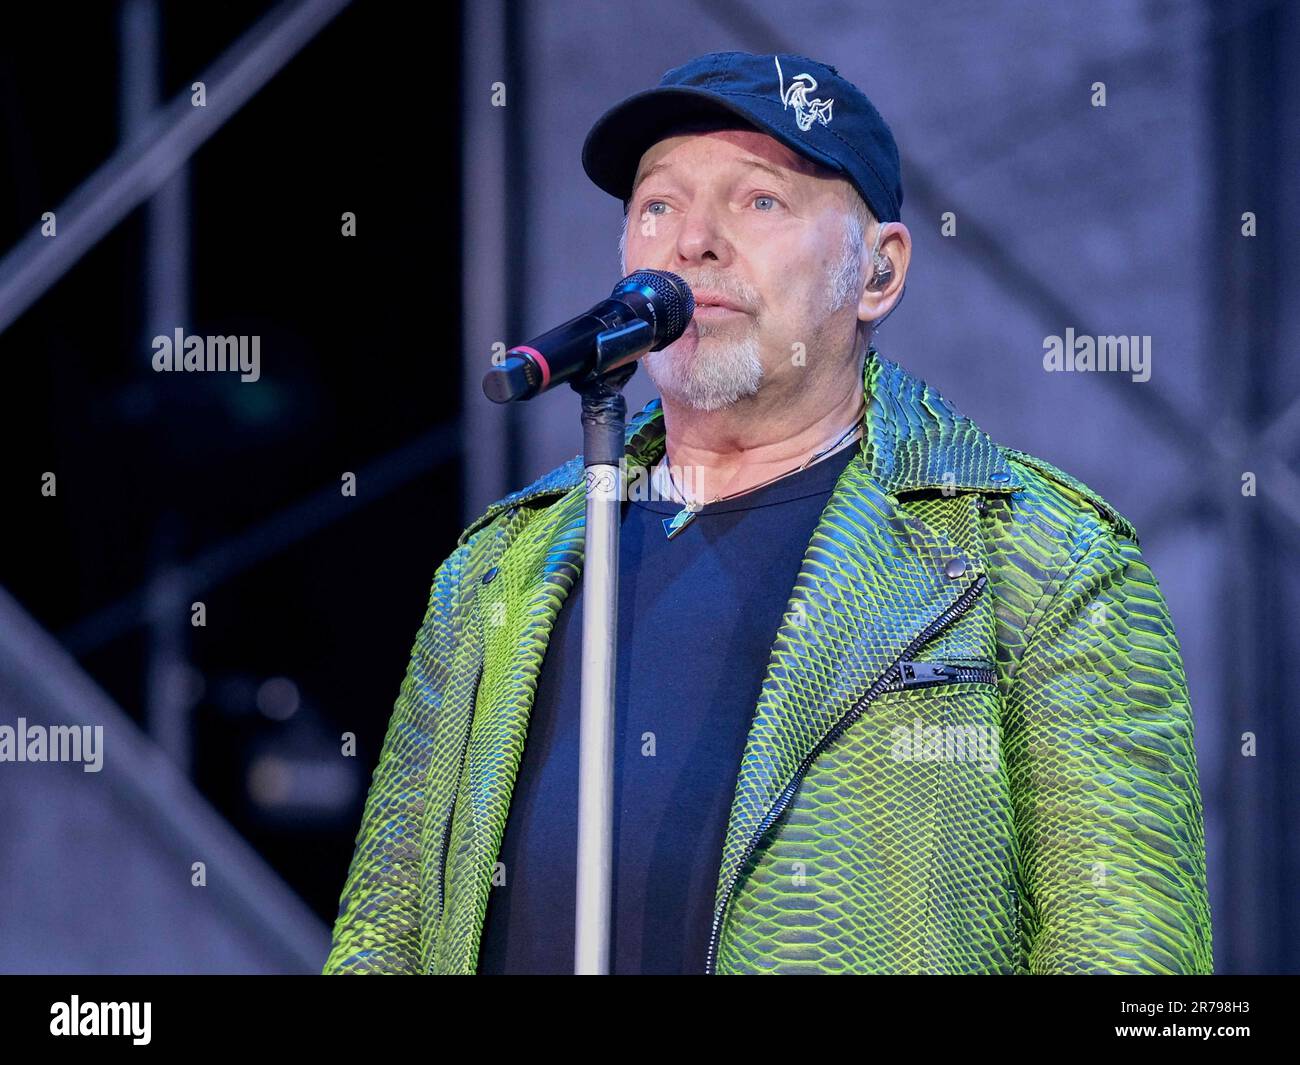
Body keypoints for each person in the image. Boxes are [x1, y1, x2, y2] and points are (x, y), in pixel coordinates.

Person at [323, 51, 1213, 975]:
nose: (692, 242)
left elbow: (1134, 969)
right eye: (657, 206)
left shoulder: (1041, 557)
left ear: (879, 271)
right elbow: (384, 936)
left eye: (759, 202)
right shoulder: (497, 568)